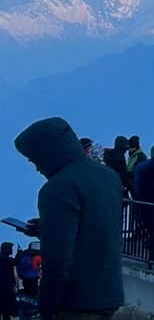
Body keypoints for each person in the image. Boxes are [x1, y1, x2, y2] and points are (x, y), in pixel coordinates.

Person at [13, 117, 124, 319]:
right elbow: (96, 226)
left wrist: (47, 306)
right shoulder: (108, 176)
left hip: (75, 301)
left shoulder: (58, 188)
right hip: (109, 293)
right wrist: (46, 228)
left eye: (35, 160)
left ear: (48, 153)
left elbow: (58, 258)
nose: (37, 168)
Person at [1, 242, 17, 320]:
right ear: (5, 249)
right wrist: (20, 253)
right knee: (5, 309)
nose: (11, 250)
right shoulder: (5, 259)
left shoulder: (5, 258)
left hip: (5, 286)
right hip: (5, 286)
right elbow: (16, 261)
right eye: (10, 248)